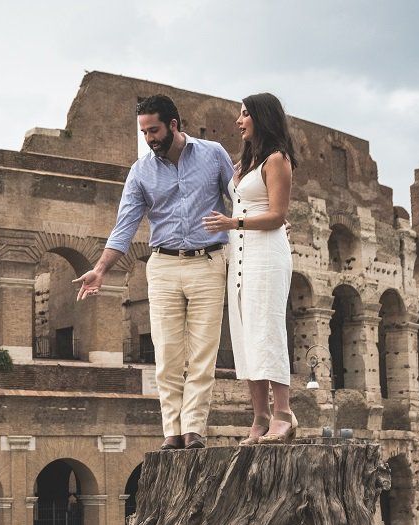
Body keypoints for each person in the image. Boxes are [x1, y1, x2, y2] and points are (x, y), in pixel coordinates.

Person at [75, 94, 234, 450]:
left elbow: (239, 200)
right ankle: (171, 431)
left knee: (203, 352)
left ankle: (193, 428)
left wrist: (266, 223)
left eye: (154, 130)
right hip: (161, 264)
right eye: (144, 132)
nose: (149, 139)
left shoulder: (213, 154)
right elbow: (125, 225)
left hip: (209, 262)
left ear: (174, 125)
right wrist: (100, 269)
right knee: (167, 353)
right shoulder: (141, 171)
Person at [203, 93, 298, 444]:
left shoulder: (277, 160)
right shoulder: (243, 164)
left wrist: (232, 222)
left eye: (245, 114)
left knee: (268, 329)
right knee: (244, 334)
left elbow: (277, 216)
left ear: (261, 117)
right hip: (241, 255)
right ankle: (258, 416)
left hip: (267, 254)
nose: (239, 121)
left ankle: (283, 413)